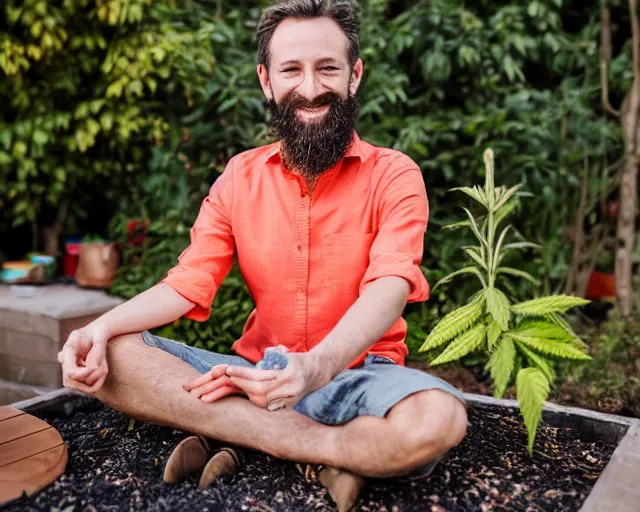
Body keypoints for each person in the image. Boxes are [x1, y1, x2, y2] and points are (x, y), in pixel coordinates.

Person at [58, 1, 468, 510]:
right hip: (256, 372)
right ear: (266, 80)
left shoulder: (395, 174)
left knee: (438, 419)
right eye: (292, 69)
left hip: (363, 373)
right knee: (116, 354)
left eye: (328, 68)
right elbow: (187, 282)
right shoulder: (239, 176)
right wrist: (96, 330)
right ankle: (325, 449)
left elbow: (389, 287)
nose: (312, 87)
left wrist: (315, 369)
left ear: (354, 75)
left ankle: (247, 434)